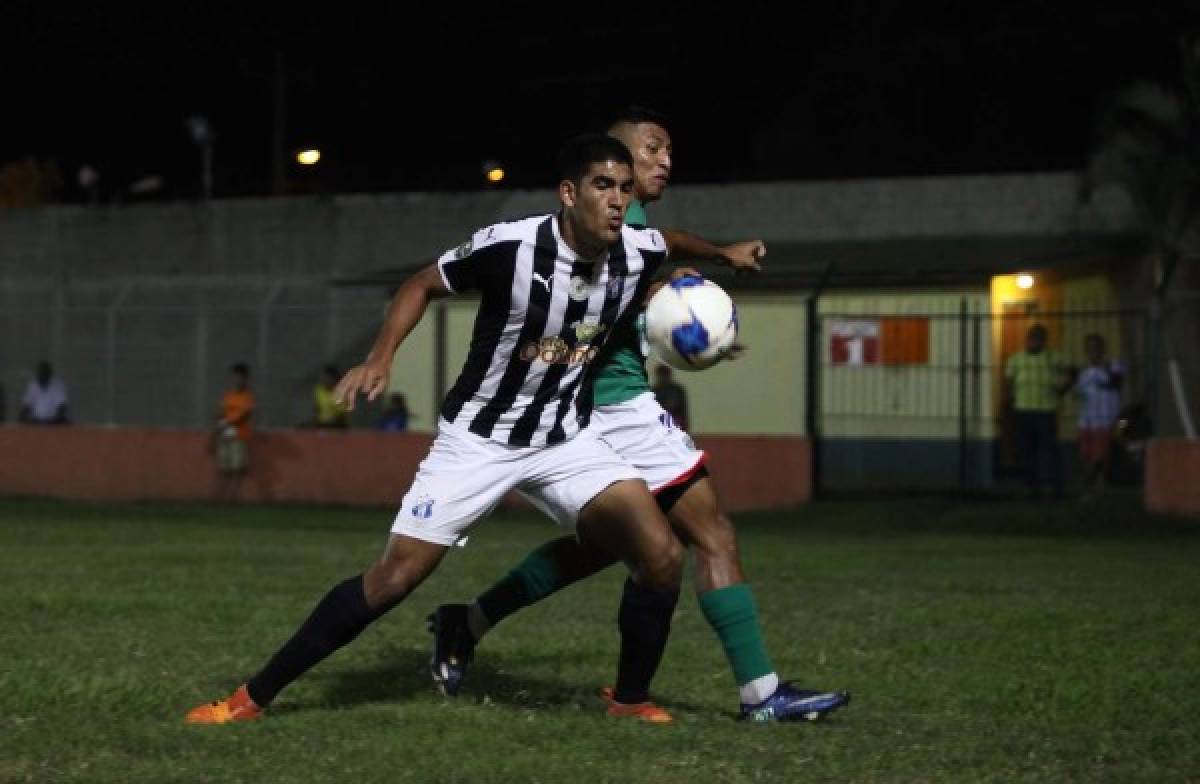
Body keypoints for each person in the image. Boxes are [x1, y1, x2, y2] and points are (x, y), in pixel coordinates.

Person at [186, 134, 691, 724]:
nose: (617, 201)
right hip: (477, 440)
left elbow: (673, 243)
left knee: (660, 555)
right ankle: (250, 699)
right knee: (393, 579)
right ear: (568, 193)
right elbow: (420, 283)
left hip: (564, 439)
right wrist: (380, 356)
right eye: (603, 186)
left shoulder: (636, 251)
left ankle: (630, 701)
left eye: (625, 189)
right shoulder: (511, 247)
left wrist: (722, 258)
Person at [427, 107, 849, 724]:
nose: (663, 162)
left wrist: (686, 323)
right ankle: (760, 694)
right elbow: (602, 297)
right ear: (617, 158)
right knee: (712, 534)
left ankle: (468, 621)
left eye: (668, 151)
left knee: (601, 549)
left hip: (587, 409)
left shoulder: (626, 221)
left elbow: (639, 277)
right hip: (615, 406)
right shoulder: (610, 219)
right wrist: (683, 292)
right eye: (652, 149)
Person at [1004, 324, 1070, 499]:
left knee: (1047, 449)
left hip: (1046, 410)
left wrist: (1063, 389)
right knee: (1026, 450)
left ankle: (1049, 484)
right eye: (1032, 337)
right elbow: (1009, 381)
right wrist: (1010, 400)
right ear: (1027, 339)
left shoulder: (1053, 358)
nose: (1035, 341)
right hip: (1024, 410)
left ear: (1044, 341)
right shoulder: (1016, 359)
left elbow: (1071, 370)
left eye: (1039, 338)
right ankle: (1029, 485)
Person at [1073, 334, 1124, 490]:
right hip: (1086, 421)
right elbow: (1078, 395)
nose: (1093, 352)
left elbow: (1117, 383)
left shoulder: (1113, 366)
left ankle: (1093, 485)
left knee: (1101, 456)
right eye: (1089, 349)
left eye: (1096, 348)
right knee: (1086, 456)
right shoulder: (1084, 374)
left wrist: (1104, 371)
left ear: (1103, 350)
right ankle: (1094, 485)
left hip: (1106, 420)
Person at [213, 363, 255, 502]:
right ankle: (220, 496)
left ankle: (233, 497)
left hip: (239, 435)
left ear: (246, 379)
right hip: (227, 435)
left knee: (237, 468)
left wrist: (227, 422)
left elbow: (245, 415)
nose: (237, 380)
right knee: (224, 467)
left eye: (241, 377)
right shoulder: (228, 396)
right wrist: (218, 428)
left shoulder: (248, 397)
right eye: (235, 377)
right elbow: (220, 413)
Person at [650, 364, 689, 431]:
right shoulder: (655, 390)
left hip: (675, 420)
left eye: (664, 374)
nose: (663, 377)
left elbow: (682, 408)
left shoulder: (677, 390)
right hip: (662, 422)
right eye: (661, 375)